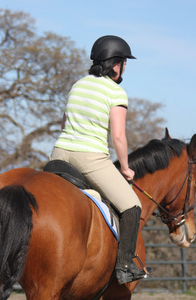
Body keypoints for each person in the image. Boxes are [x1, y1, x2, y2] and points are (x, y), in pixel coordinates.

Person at [50, 35, 151, 284]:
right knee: (131, 206)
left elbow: (64, 124)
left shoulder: (78, 84)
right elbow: (118, 136)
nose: (124, 68)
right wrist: (126, 168)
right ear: (116, 64)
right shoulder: (116, 91)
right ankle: (124, 266)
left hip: (58, 154)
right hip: (91, 158)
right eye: (124, 62)